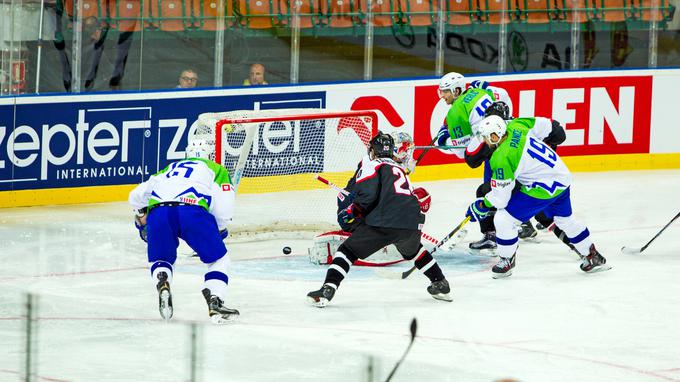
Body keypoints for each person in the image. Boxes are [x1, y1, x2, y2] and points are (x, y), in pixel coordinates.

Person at [307, 132, 452, 307]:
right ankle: (440, 283)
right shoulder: (400, 169)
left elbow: (367, 196)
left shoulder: (372, 165)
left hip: (385, 221)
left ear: (373, 151)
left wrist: (352, 213)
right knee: (414, 251)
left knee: (347, 251)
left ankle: (328, 288)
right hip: (412, 222)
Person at [465, 115, 610, 278]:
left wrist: (481, 206)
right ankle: (593, 256)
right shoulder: (517, 125)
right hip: (561, 177)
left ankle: (506, 260)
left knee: (504, 219)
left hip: (543, 187)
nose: (484, 142)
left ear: (495, 136)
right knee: (566, 220)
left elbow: (501, 199)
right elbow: (547, 126)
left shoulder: (501, 157)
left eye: (485, 138)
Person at [128, 139, 239, 324]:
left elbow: (136, 195)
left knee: (161, 260)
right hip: (192, 211)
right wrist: (218, 228)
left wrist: (141, 213)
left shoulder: (169, 168)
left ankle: (163, 281)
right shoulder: (216, 169)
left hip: (159, 212)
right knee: (219, 260)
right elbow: (224, 208)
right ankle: (215, 300)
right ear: (209, 154)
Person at [433, 73, 538, 253]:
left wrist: (445, 140)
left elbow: (462, 153)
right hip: (508, 139)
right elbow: (503, 96)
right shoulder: (482, 90)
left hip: (493, 150)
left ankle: (492, 235)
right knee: (510, 186)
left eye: (444, 92)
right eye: (440, 92)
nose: (441, 96)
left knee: (488, 190)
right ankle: (526, 224)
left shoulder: (456, 112)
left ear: (457, 90)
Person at [469, 101, 576, 254]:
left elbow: (472, 160)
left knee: (491, 195)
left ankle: (493, 237)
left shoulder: (502, 142)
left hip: (529, 180)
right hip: (541, 178)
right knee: (543, 214)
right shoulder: (520, 125)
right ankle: (576, 245)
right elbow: (558, 133)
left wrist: (482, 205)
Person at [308, 131, 423, 267]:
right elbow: (371, 196)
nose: (406, 155)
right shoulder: (372, 164)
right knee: (418, 197)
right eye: (404, 151)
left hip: (364, 211)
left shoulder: (380, 162)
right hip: (353, 214)